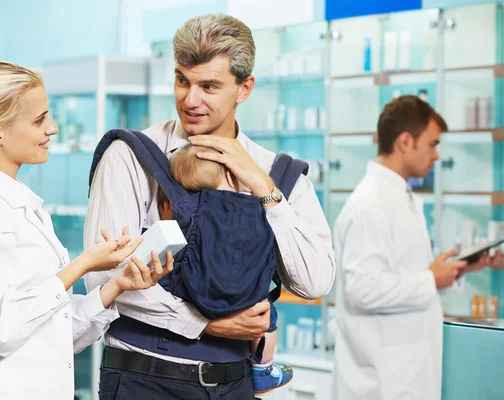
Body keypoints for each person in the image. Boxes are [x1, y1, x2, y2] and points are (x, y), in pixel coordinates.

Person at [85, 13, 335, 399]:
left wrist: (263, 188)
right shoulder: (131, 157)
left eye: (209, 86)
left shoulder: (277, 175)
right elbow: (102, 280)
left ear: (244, 88)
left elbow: (314, 281)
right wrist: (204, 323)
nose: (190, 99)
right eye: (182, 80)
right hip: (144, 381)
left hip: (234, 385)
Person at [0, 61, 173, 400]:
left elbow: (53, 333)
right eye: (39, 120)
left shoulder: (20, 206)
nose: (52, 128)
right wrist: (81, 265)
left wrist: (117, 286)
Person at [331, 95, 503, 400]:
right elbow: (362, 288)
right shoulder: (371, 204)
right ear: (406, 141)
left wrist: (455, 270)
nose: (437, 156)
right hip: (379, 384)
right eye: (433, 144)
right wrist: (430, 278)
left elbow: (404, 276)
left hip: (403, 377)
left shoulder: (399, 196)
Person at [158, 144, 294, 395]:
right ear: (231, 176)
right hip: (247, 297)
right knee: (267, 318)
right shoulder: (254, 208)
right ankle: (263, 368)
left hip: (194, 295)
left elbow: (170, 240)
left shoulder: (185, 208)